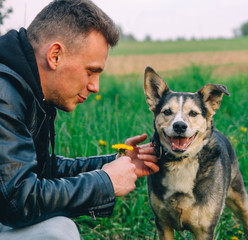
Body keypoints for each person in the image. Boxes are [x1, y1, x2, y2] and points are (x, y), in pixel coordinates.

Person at [0, 0, 159, 239]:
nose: (95, 87)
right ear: (55, 55)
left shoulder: (27, 88)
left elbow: (42, 171)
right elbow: (17, 201)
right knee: (58, 232)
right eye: (91, 71)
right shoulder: (4, 95)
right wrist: (105, 182)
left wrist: (116, 162)